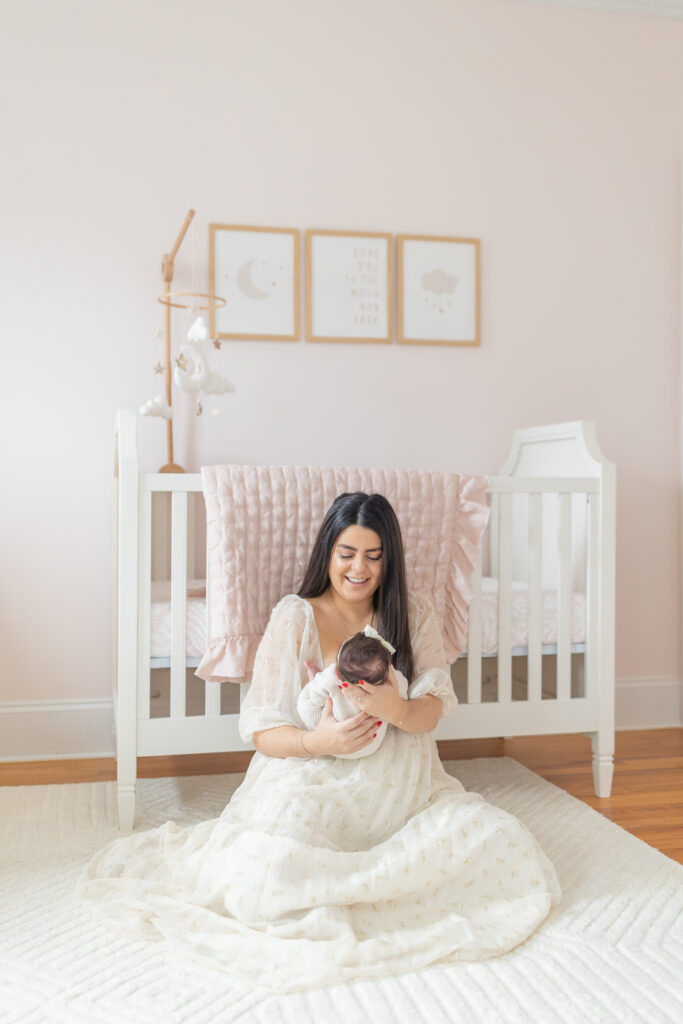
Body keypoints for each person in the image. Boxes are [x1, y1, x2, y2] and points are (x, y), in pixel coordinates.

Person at [78, 491, 561, 994]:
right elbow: (263, 731)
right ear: (327, 553)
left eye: (374, 556)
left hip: (402, 784)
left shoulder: (412, 612)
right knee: (265, 869)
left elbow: (432, 709)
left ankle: (379, 876)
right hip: (316, 770)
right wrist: (319, 741)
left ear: (389, 559)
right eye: (347, 554)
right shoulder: (296, 617)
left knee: (499, 839)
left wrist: (396, 710)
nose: (359, 569)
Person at [296, 625, 408, 758]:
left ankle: (314, 678)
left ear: (337, 671)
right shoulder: (390, 680)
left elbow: (316, 697)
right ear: (387, 667)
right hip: (370, 744)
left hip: (334, 742)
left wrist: (316, 688)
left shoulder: (332, 678)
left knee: (308, 701)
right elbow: (403, 690)